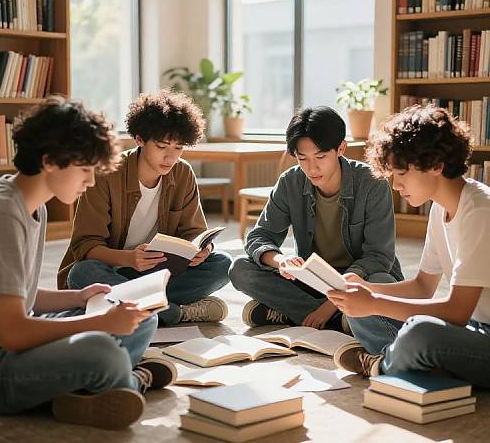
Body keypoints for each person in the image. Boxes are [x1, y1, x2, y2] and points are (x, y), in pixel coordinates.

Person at [0, 98, 176, 430]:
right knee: (102, 351)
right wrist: (99, 324)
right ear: (50, 161)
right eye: (85, 170)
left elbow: (21, 296)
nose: (91, 182)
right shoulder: (1, 215)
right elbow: (13, 333)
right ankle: (123, 381)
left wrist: (79, 298)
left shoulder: (32, 206)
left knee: (140, 317)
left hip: (10, 346)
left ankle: (95, 388)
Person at [329, 105, 490, 387]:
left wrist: (376, 301)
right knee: (362, 313)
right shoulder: (441, 209)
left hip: (480, 333)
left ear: (436, 165)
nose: (395, 185)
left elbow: (456, 311)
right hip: (472, 330)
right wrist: (367, 292)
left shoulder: (480, 210)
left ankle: (382, 364)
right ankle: (419, 363)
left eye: (401, 173)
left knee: (421, 333)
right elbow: (422, 287)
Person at [59, 89, 232, 325]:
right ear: (139, 139)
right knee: (81, 274)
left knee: (222, 263)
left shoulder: (183, 173)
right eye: (162, 146)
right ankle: (174, 313)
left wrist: (203, 249)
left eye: (179, 148)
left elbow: (193, 232)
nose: (171, 157)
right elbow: (86, 245)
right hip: (113, 269)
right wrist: (129, 259)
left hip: (156, 272)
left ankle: (132, 307)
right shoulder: (106, 173)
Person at [229, 106, 403, 329]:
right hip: (312, 280)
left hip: (358, 281)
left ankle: (296, 314)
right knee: (240, 268)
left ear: (341, 148)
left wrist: (329, 304)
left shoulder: (372, 183)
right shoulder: (290, 182)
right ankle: (341, 321)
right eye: (303, 158)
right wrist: (280, 260)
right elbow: (260, 236)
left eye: (320, 156)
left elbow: (379, 257)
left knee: (383, 281)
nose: (312, 168)